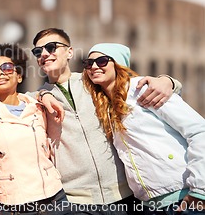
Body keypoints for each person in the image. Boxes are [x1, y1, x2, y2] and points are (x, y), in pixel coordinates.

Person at [30, 28, 182, 214]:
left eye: (51, 47)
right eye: (38, 52)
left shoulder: (94, 82)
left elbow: (134, 85)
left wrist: (169, 81)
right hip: (76, 200)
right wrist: (42, 93)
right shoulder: (33, 100)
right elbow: (12, 101)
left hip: (123, 196)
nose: (44, 54)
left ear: (70, 52)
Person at [82, 43, 205, 215]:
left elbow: (198, 130)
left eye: (102, 61)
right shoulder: (103, 106)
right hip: (147, 206)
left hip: (183, 198)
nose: (94, 66)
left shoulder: (142, 89)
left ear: (118, 65)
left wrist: (200, 190)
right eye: (88, 63)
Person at [0, 43, 70, 215]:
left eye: (7, 68)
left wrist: (43, 93)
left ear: (19, 76)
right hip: (12, 204)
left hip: (53, 199)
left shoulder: (38, 107)